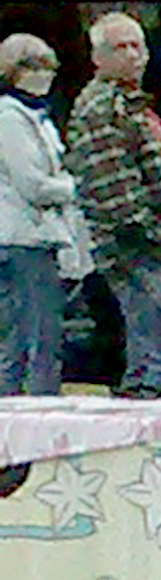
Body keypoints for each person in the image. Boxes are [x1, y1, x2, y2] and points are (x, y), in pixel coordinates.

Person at [68, 9, 161, 398]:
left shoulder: (128, 102)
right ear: (98, 58)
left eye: (137, 46)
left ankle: (151, 413)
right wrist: (160, 235)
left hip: (149, 242)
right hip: (140, 245)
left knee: (152, 346)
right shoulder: (103, 107)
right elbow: (115, 190)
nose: (133, 55)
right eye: (120, 47)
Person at [0, 30, 73, 396]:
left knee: (34, 336)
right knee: (32, 340)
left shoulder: (36, 116)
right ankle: (27, 419)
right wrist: (74, 188)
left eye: (49, 65)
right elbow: (33, 185)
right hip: (21, 240)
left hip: (36, 238)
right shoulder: (9, 118)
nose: (45, 73)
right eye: (35, 65)